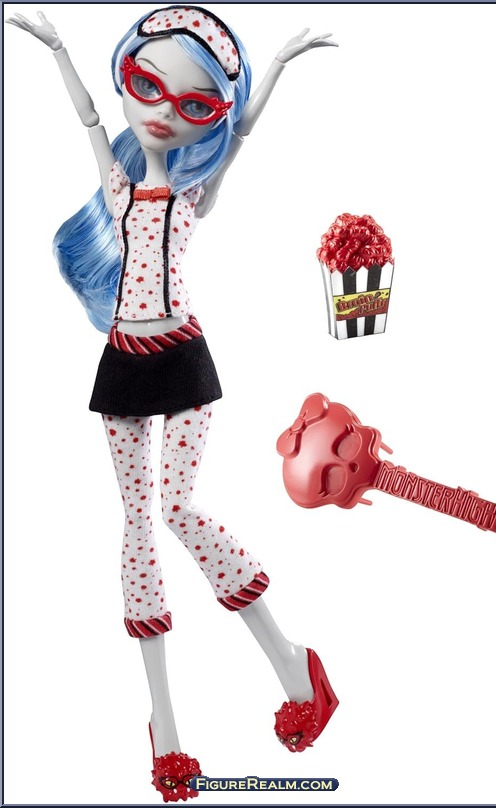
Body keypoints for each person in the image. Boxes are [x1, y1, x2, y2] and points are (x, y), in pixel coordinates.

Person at [6, 5, 339, 802]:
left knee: (181, 510)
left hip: (183, 356)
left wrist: (278, 64)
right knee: (135, 524)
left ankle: (291, 660)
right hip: (124, 360)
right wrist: (57, 47)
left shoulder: (196, 196)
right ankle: (166, 724)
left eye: (194, 103)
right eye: (146, 86)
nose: (162, 112)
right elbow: (89, 118)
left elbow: (244, 133)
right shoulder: (118, 190)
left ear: (212, 116)